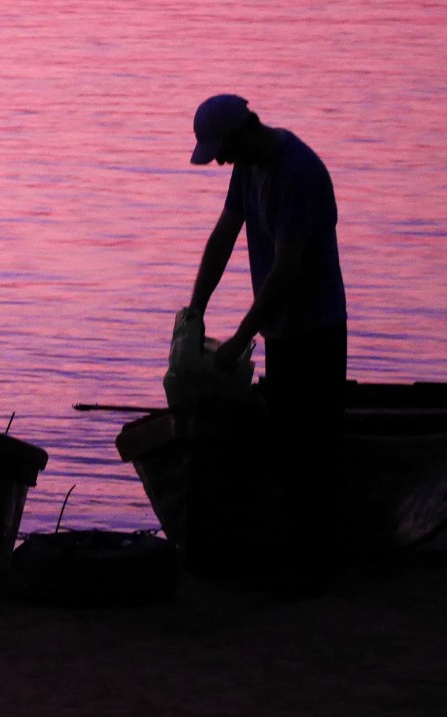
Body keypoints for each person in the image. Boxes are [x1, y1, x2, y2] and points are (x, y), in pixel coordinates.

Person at [186, 93, 348, 591]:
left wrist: (241, 336)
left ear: (245, 130)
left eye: (221, 149)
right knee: (286, 444)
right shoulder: (248, 168)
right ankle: (298, 558)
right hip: (281, 331)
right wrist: (196, 309)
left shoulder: (296, 172)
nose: (219, 160)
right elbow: (223, 237)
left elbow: (286, 270)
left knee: (311, 450)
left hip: (315, 329)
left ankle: (318, 570)